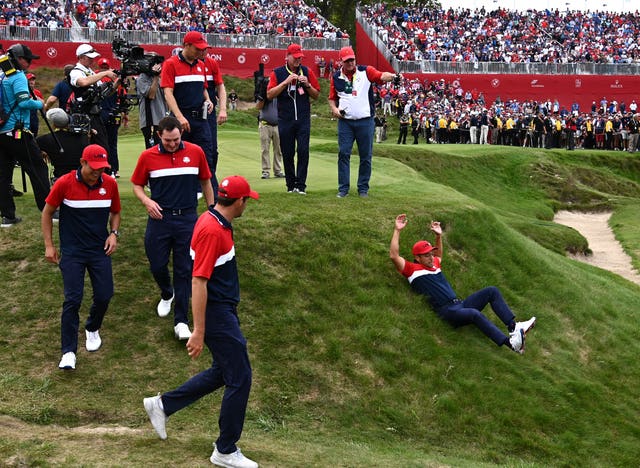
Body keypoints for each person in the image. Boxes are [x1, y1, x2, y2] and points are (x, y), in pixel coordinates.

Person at [143, 175, 259, 468]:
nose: (248, 205)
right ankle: (225, 449)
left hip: (223, 310)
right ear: (240, 201)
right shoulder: (212, 231)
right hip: (216, 313)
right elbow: (198, 281)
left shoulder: (213, 218)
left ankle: (163, 405)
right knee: (241, 376)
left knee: (225, 371)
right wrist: (199, 329)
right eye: (248, 200)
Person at [389, 214, 535, 354]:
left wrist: (438, 236)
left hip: (460, 304)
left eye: (431, 254)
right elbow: (394, 255)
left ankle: (513, 328)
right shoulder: (412, 270)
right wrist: (397, 230)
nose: (431, 257)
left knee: (492, 291)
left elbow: (439, 255)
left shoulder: (435, 265)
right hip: (447, 311)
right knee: (474, 314)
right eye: (427, 255)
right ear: (417, 257)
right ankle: (512, 345)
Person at [131, 116, 214, 341]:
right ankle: (167, 293)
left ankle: (181, 322)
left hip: (188, 218)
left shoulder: (196, 152)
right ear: (159, 136)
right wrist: (146, 201)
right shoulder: (148, 156)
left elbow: (206, 181)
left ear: (180, 134)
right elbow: (137, 184)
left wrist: (212, 211)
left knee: (184, 270)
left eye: (176, 139)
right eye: (168, 140)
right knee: (157, 264)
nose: (172, 144)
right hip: (160, 218)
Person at [41, 144, 121, 370]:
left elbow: (115, 212)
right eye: (93, 167)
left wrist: (113, 234)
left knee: (105, 295)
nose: (98, 172)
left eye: (102, 168)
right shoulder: (64, 183)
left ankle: (92, 328)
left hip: (99, 249)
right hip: (73, 251)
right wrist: (49, 245)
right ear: (82, 163)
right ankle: (68, 352)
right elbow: (47, 213)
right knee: (73, 300)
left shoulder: (110, 184)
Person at [328, 46, 398, 198]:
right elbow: (332, 98)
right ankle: (343, 189)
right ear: (341, 62)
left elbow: (380, 76)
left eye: (352, 60)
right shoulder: (336, 77)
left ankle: (363, 189)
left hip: (365, 121)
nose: (350, 63)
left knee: (365, 156)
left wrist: (392, 76)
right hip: (345, 122)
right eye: (347, 61)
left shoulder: (366, 71)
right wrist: (334, 109)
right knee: (343, 153)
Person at [0, 44, 50, 227]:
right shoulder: (18, 76)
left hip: (2, 132)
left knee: (4, 175)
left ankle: (8, 216)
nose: (29, 62)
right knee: (38, 169)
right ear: (18, 58)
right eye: (26, 59)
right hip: (18, 131)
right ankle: (49, 210)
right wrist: (40, 103)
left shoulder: (2, 75)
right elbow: (23, 102)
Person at [161, 32, 215, 193]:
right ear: (187, 46)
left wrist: (208, 100)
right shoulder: (170, 64)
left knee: (206, 156)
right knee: (176, 156)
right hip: (181, 118)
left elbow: (203, 88)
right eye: (198, 48)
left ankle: (209, 195)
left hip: (201, 119)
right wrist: (179, 117)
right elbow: (168, 93)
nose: (201, 52)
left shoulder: (201, 65)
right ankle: (177, 190)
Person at [266, 43, 320, 195]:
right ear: (287, 56)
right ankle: (290, 185)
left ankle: (301, 185)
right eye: (295, 58)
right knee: (288, 153)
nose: (298, 60)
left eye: (300, 58)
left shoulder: (307, 71)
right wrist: (285, 82)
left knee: (303, 151)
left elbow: (316, 95)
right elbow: (269, 94)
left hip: (303, 119)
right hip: (285, 119)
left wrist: (307, 85)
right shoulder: (278, 73)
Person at [68, 44, 119, 167]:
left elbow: (105, 93)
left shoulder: (90, 72)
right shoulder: (76, 72)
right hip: (82, 116)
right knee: (84, 147)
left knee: (103, 147)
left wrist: (118, 81)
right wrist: (104, 73)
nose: (92, 60)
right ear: (81, 57)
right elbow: (83, 82)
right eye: (89, 57)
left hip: (95, 114)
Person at [37, 108, 89, 180]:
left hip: (60, 178)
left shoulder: (45, 139)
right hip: (81, 176)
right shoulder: (84, 137)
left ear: (53, 124)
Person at [203, 54, 228, 197]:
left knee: (212, 151)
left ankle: (210, 183)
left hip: (210, 114)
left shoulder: (211, 63)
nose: (204, 52)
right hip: (189, 112)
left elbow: (220, 87)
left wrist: (223, 109)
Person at [136, 61, 167, 149]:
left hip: (162, 119)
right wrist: (156, 77)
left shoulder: (161, 77)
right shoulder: (142, 78)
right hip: (149, 120)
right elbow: (151, 95)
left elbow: (167, 96)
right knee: (153, 149)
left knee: (163, 148)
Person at [256, 84, 284, 179]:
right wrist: (263, 98)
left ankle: (278, 170)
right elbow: (258, 107)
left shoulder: (279, 95)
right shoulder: (264, 95)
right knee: (265, 149)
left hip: (278, 125)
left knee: (278, 149)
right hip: (265, 124)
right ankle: (266, 171)